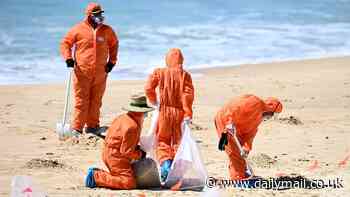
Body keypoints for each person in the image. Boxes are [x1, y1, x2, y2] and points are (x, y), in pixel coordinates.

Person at [60, 2, 118, 142]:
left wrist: (112, 62)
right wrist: (68, 58)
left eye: (100, 13)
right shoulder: (78, 29)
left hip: (100, 72)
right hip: (82, 72)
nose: (100, 16)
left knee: (96, 100)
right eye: (96, 14)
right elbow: (66, 43)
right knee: (81, 101)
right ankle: (77, 128)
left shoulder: (107, 30)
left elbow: (114, 44)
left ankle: (92, 126)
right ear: (89, 15)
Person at [145, 48, 195, 182]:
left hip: (164, 112)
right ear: (181, 61)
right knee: (178, 141)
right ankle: (175, 169)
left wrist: (154, 101)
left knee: (163, 140)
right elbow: (187, 96)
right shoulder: (185, 75)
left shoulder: (159, 72)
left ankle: (166, 165)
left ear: (167, 59)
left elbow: (148, 88)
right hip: (179, 112)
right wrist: (187, 112)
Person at [85, 95, 154, 189]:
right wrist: (140, 154)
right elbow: (126, 152)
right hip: (115, 157)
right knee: (128, 183)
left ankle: (98, 174)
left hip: (108, 152)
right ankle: (95, 176)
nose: (146, 116)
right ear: (140, 112)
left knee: (121, 175)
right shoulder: (133, 126)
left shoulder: (122, 117)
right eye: (145, 113)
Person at [215, 94, 282, 180]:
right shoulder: (254, 101)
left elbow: (250, 133)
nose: (270, 117)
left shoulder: (259, 117)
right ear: (271, 108)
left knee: (241, 153)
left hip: (236, 127)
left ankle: (243, 172)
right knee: (234, 152)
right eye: (273, 114)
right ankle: (237, 178)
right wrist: (229, 122)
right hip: (224, 120)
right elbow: (234, 108)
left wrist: (247, 148)